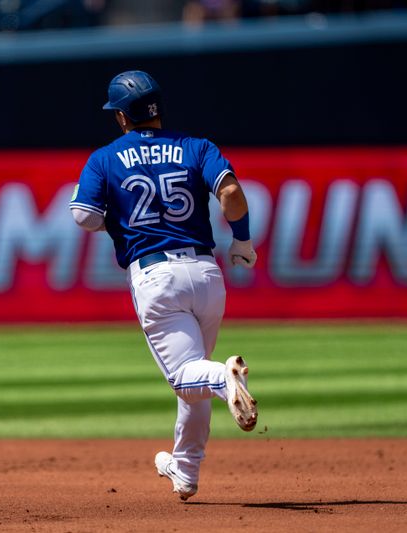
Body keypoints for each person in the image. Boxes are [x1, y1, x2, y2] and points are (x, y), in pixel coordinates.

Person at [69, 70, 258, 501]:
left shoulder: (105, 158)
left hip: (156, 276)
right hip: (207, 274)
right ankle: (185, 470)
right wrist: (243, 240)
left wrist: (113, 214)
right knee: (193, 378)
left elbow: (83, 216)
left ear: (120, 116)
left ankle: (225, 378)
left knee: (186, 377)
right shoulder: (197, 147)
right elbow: (229, 191)